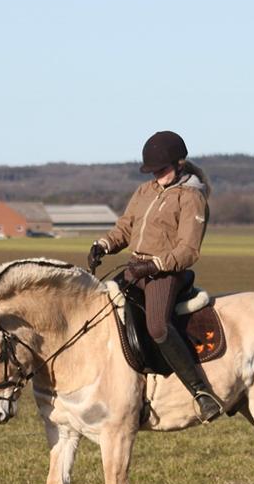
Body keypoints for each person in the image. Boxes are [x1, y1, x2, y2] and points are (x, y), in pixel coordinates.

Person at [87, 130, 223, 423]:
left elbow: (188, 250)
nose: (156, 175)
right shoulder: (145, 191)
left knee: (157, 326)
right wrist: (103, 244)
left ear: (180, 163)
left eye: (161, 169)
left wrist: (153, 267)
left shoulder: (192, 198)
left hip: (166, 273)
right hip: (135, 267)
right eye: (152, 170)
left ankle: (200, 392)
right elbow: (125, 228)